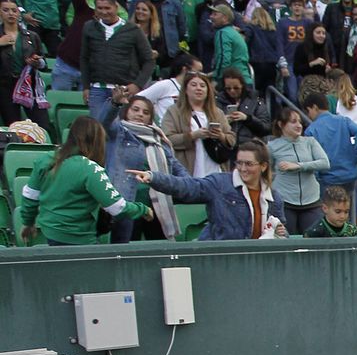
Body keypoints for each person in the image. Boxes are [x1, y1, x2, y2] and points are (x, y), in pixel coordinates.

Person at [19, 116, 154, 245]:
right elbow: (117, 207)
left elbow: (30, 196)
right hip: (80, 240)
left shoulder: (46, 159)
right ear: (96, 141)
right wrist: (143, 210)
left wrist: (28, 223)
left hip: (51, 235)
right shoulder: (90, 169)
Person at [131, 138, 287, 240]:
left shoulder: (274, 198)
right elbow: (187, 187)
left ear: (263, 166)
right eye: (239, 163)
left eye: (249, 164)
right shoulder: (218, 183)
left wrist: (282, 233)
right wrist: (154, 177)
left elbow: (280, 232)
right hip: (219, 259)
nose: (243, 168)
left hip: (254, 262)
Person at [105, 96, 183, 243]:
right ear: (126, 111)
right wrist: (114, 104)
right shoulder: (118, 132)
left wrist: (192, 185)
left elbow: (176, 166)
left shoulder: (158, 138)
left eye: (146, 112)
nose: (140, 114)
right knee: (126, 250)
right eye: (135, 109)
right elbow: (104, 122)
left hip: (157, 203)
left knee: (159, 251)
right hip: (128, 203)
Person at [80, 0, 154, 125]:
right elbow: (84, 58)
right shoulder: (89, 27)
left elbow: (149, 60)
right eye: (100, 8)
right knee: (98, 130)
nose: (103, 12)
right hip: (97, 89)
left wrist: (137, 84)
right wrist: (86, 86)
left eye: (107, 8)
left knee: (121, 130)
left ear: (116, 7)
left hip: (123, 90)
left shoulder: (133, 30)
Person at [303, 91, 357, 215]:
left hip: (327, 178)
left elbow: (312, 158)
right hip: (349, 173)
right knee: (351, 207)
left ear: (314, 107)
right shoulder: (343, 120)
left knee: (329, 212)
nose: (308, 115)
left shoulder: (311, 130)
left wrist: (317, 176)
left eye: (308, 111)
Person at [267, 105, 332, 234]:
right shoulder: (272, 146)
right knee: (286, 239)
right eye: (293, 122)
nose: (299, 125)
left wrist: (299, 166)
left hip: (311, 200)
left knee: (313, 238)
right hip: (285, 201)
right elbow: (265, 170)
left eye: (300, 122)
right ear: (281, 124)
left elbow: (325, 163)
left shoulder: (310, 142)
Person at [161, 71, 234, 179]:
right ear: (185, 90)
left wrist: (221, 136)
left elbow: (232, 139)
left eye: (202, 86)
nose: (198, 88)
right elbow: (167, 139)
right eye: (194, 85)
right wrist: (193, 135)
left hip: (215, 170)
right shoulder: (174, 111)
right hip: (188, 171)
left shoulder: (217, 112)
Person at [0, 0, 48, 128]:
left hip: (29, 85)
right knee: (13, 127)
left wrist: (37, 62)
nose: (11, 13)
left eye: (14, 10)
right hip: (5, 87)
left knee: (43, 125)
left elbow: (44, 64)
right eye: (6, 10)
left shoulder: (31, 36)